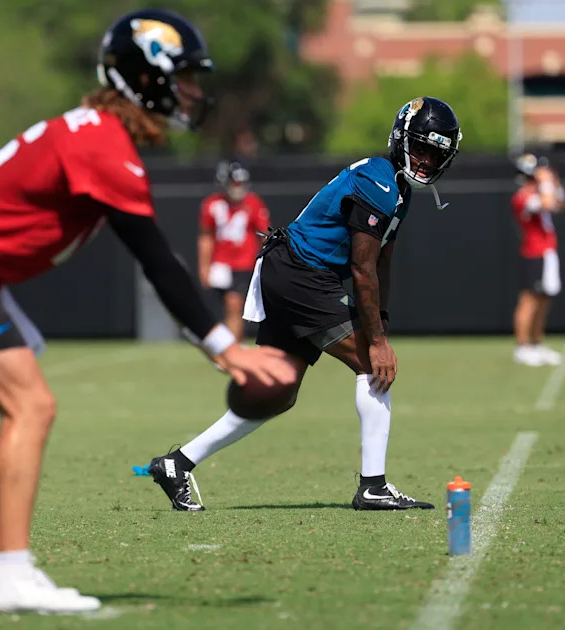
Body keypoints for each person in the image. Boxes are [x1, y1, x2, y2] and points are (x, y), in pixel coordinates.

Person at [0, 10, 295, 614]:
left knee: (24, 407)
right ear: (144, 78)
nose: (192, 93)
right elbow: (156, 257)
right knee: (31, 406)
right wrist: (225, 348)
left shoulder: (91, 133)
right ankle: (9, 573)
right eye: (182, 78)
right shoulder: (102, 143)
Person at [149, 97, 462, 512]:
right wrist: (378, 339)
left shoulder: (395, 187)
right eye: (420, 148)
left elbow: (382, 261)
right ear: (401, 140)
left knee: (277, 391)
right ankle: (373, 485)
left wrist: (380, 322)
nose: (425, 160)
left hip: (293, 271)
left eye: (435, 154)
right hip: (302, 273)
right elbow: (363, 269)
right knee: (372, 363)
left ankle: (177, 464)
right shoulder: (381, 183)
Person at [198, 161, 270, 342]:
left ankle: (233, 348)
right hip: (220, 264)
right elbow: (206, 237)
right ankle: (233, 346)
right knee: (228, 307)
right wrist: (204, 267)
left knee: (234, 305)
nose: (237, 188)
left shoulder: (253, 203)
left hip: (243, 262)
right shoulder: (213, 204)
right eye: (234, 183)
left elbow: (264, 234)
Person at [511, 153, 565, 367]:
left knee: (544, 299)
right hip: (534, 253)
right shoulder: (522, 197)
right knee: (529, 300)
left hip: (546, 253)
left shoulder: (537, 191)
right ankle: (522, 346)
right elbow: (547, 202)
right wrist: (545, 182)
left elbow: (560, 203)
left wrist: (552, 181)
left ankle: (536, 343)